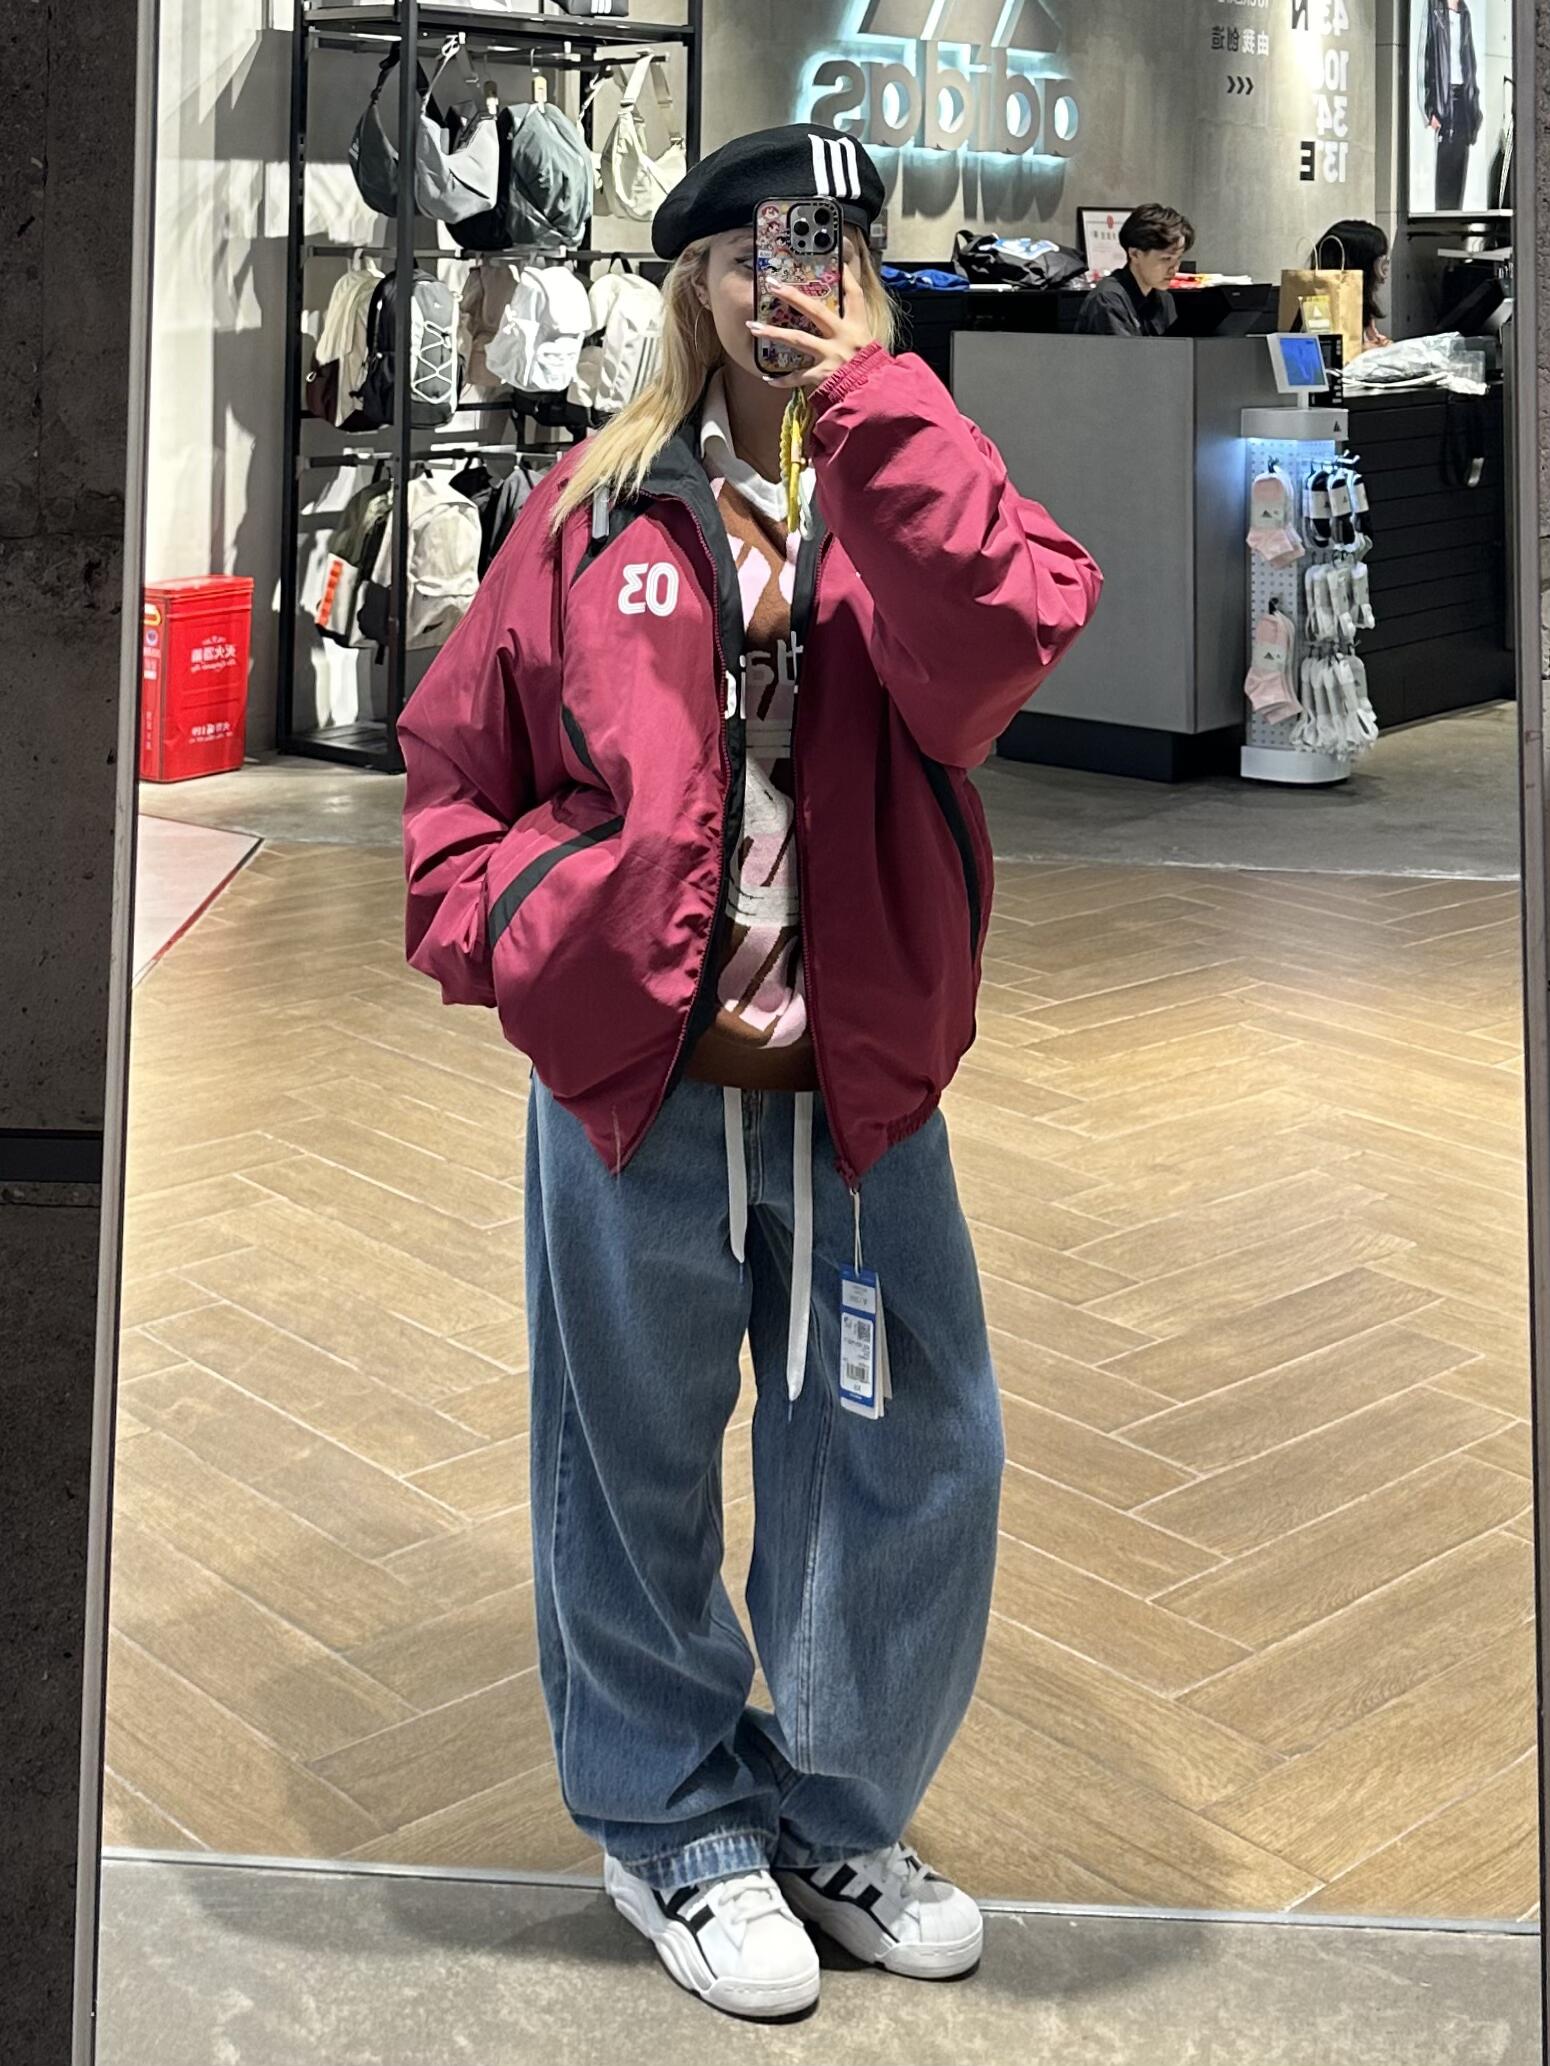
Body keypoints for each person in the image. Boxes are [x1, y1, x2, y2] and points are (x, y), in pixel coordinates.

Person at [401, 124, 1101, 2024]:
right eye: (753, 254)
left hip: (858, 1086)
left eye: (830, 251)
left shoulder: (912, 480)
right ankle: (671, 1826)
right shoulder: (594, 506)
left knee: (916, 1458)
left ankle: (832, 1811)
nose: (790, 284)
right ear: (694, 286)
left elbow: (1001, 645)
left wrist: (872, 411)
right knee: (624, 1467)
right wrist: (514, 933)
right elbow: (458, 757)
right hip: (636, 1081)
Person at [1076, 203, 1194, 336]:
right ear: (1135, 254)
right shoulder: (1107, 300)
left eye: (1178, 258)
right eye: (1166, 259)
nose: (1174, 268)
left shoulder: (1163, 299)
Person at [1420, 0, 1482, 210]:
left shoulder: (1464, 13)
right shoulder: (1434, 9)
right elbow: (1425, 59)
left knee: (1460, 160)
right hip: (1442, 97)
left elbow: (1470, 61)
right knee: (1444, 160)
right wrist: (1429, 108)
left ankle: (1455, 212)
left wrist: (1474, 104)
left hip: (1463, 97)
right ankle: (1443, 214)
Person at [1316, 218, 1393, 352]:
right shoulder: (1318, 305)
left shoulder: (1361, 306)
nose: (1385, 269)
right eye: (1381, 262)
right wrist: (1362, 350)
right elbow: (1326, 354)